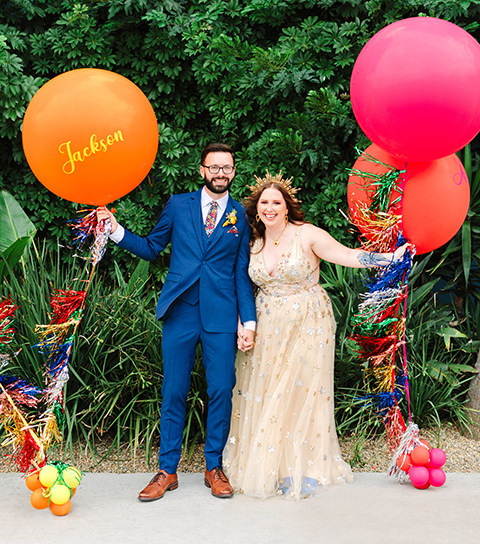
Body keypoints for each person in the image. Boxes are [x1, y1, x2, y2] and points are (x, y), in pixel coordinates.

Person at [223, 171, 408, 500]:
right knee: (267, 391)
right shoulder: (251, 241)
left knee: (303, 390)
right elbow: (239, 286)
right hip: (266, 322)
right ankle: (275, 466)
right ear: (256, 207)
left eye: (276, 202)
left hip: (309, 320)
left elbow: (347, 255)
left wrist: (388, 259)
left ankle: (305, 467)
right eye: (264, 202)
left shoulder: (306, 235)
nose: (270, 208)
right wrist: (242, 323)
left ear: (287, 206)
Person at [97, 143, 256, 501]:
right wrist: (116, 230)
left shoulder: (241, 216)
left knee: (220, 391)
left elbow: (241, 274)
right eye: (213, 167)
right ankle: (167, 470)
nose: (220, 173)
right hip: (180, 311)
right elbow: (153, 247)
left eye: (226, 167)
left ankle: (213, 466)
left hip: (220, 315)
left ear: (233, 171)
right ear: (202, 170)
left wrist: (249, 321)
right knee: (173, 391)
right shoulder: (178, 205)